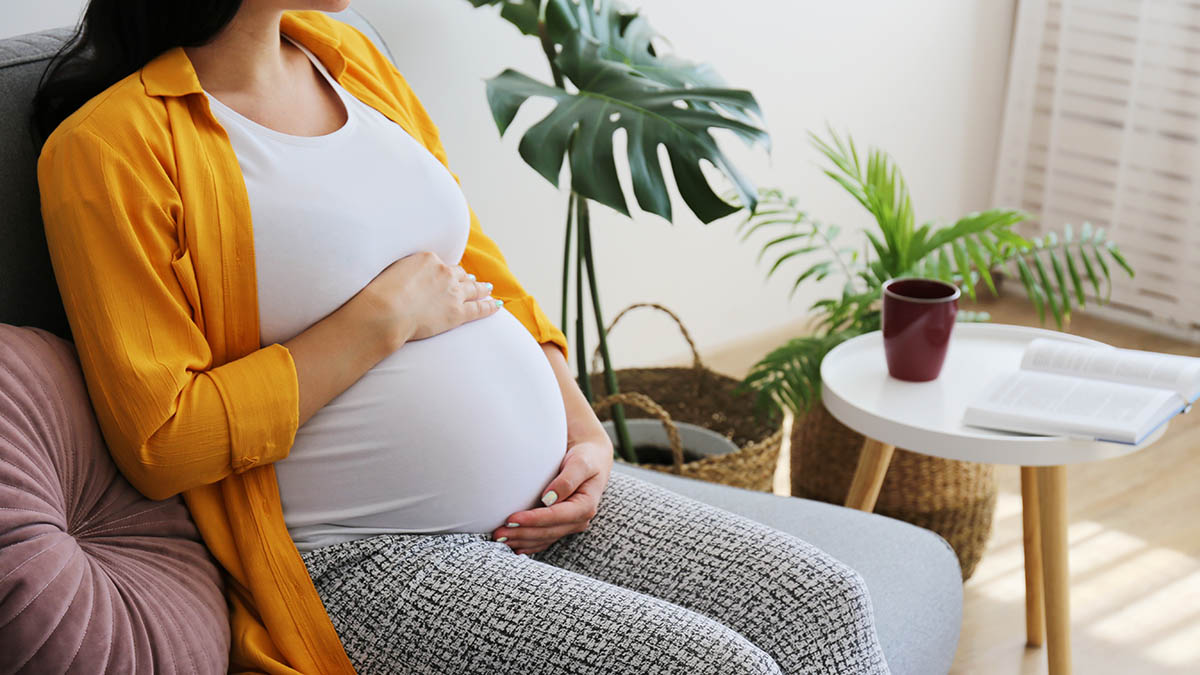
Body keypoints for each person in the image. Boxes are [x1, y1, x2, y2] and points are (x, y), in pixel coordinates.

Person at [33, 1, 890, 673]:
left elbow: (480, 264)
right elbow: (161, 439)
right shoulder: (109, 148)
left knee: (826, 603)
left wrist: (582, 429)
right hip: (364, 558)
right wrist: (381, 320)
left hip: (547, 496)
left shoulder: (349, 60)